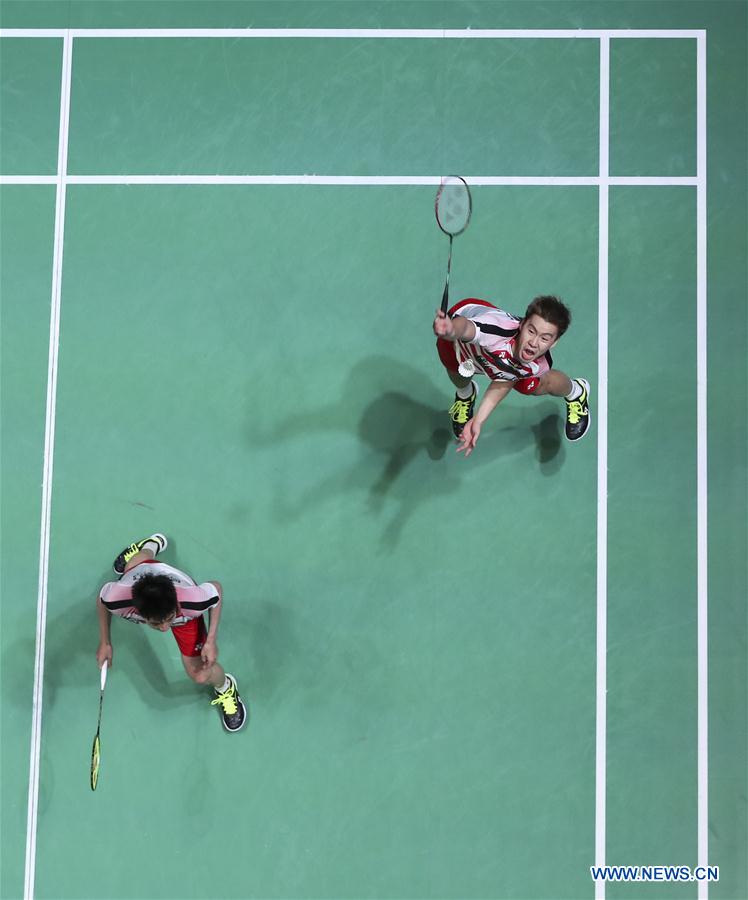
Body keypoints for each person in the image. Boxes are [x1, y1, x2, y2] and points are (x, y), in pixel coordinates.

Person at [95, 533, 247, 733]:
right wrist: (105, 641)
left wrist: (211, 640)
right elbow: (102, 599)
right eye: (156, 625)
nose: (165, 628)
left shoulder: (194, 601)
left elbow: (216, 591)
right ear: (140, 613)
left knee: (200, 675)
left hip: (183, 612)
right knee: (137, 562)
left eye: (168, 620)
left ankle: (226, 687)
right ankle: (152, 543)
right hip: (140, 576)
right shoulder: (118, 599)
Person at [433, 295, 591, 457]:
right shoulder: (496, 331)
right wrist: (451, 330)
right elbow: (466, 327)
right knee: (454, 367)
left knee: (536, 386)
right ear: (522, 324)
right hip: (457, 337)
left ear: (555, 342)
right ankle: (465, 395)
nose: (534, 342)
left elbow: (506, 378)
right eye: (531, 331)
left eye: (545, 338)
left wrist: (478, 420)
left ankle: (577, 392)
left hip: (493, 358)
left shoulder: (539, 364)